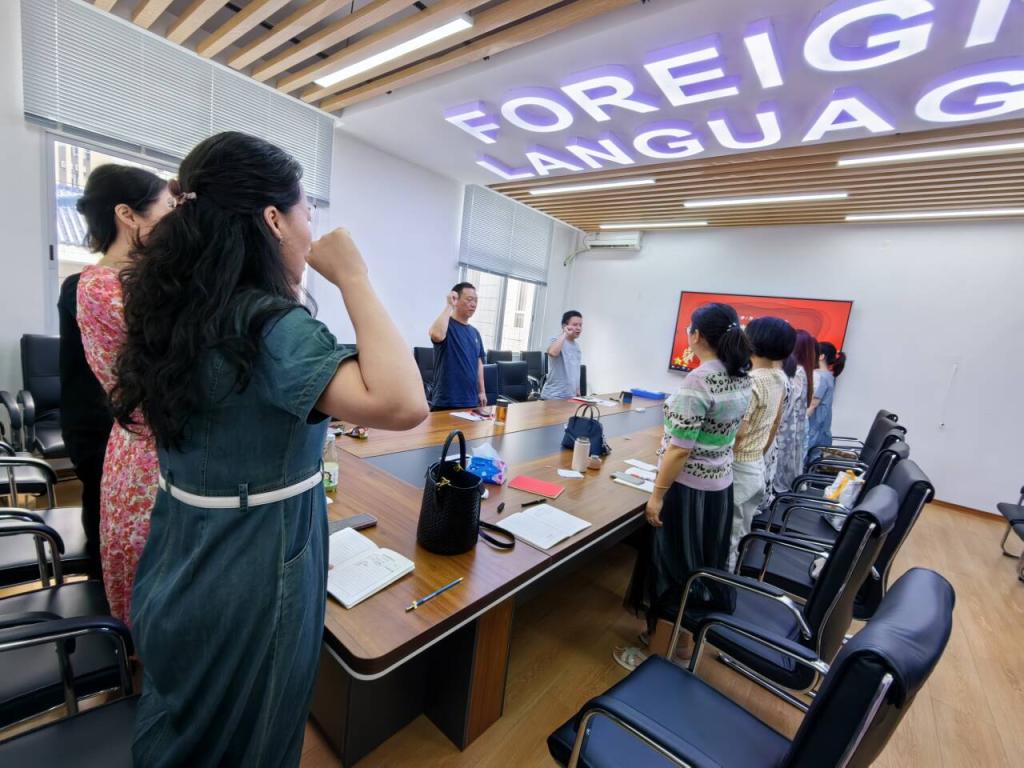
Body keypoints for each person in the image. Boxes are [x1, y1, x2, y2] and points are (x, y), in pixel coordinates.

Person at [111, 132, 427, 766]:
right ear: (274, 220)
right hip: (252, 564)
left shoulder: (179, 308)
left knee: (186, 724)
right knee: (252, 736)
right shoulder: (270, 325)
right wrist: (354, 276)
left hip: (180, 549)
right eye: (307, 211)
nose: (313, 230)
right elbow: (403, 402)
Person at [616, 303, 752, 670]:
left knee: (672, 571)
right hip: (719, 489)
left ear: (696, 335)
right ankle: (683, 647)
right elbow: (738, 432)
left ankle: (657, 657)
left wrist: (657, 495)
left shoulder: (699, 380)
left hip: (688, 491)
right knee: (699, 570)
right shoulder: (742, 376)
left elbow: (680, 448)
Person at [74, 165, 173, 616]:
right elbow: (169, 359)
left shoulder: (139, 279)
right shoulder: (101, 286)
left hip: (155, 449)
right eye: (167, 209)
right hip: (147, 457)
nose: (174, 221)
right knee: (151, 593)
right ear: (127, 215)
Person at [727, 317, 794, 569]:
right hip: (756, 466)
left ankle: (717, 584)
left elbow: (738, 432)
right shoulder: (779, 378)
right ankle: (729, 577)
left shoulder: (752, 381)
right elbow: (774, 424)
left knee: (728, 538)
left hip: (738, 469)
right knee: (740, 533)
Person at [428, 282, 486, 410]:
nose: (473, 304)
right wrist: (449, 305)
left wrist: (482, 391)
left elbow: (479, 363)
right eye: (469, 299)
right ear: (456, 300)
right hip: (446, 401)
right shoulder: (446, 325)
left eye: (476, 300)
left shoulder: (475, 332)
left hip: (471, 400)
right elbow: (436, 334)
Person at [772, 330, 816, 495]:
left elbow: (787, 405)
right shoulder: (804, 371)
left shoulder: (796, 372)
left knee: (779, 467)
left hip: (784, 430)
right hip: (791, 430)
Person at [806, 341, 847, 465]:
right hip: (820, 429)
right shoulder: (828, 376)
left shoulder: (821, 377)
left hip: (814, 429)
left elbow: (812, 405)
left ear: (821, 356)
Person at [541, 310, 583, 400]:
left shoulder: (577, 346)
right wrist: (565, 333)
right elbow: (552, 353)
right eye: (575, 324)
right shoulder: (555, 340)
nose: (579, 328)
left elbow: (576, 370)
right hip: (553, 395)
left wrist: (577, 389)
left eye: (580, 325)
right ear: (564, 326)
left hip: (570, 396)